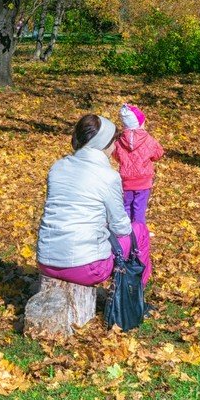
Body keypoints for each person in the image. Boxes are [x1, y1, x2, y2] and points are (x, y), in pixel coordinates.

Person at [36, 114, 152, 286]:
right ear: (102, 144)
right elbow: (121, 227)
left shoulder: (57, 167)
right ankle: (135, 294)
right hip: (87, 268)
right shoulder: (108, 176)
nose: (115, 147)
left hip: (45, 261)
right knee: (140, 230)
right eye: (113, 142)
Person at [113, 103, 164, 224]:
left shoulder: (120, 141)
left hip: (126, 180)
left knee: (126, 207)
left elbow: (115, 155)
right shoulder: (148, 139)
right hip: (143, 181)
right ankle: (139, 232)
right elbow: (158, 153)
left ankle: (127, 233)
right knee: (139, 208)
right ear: (141, 123)